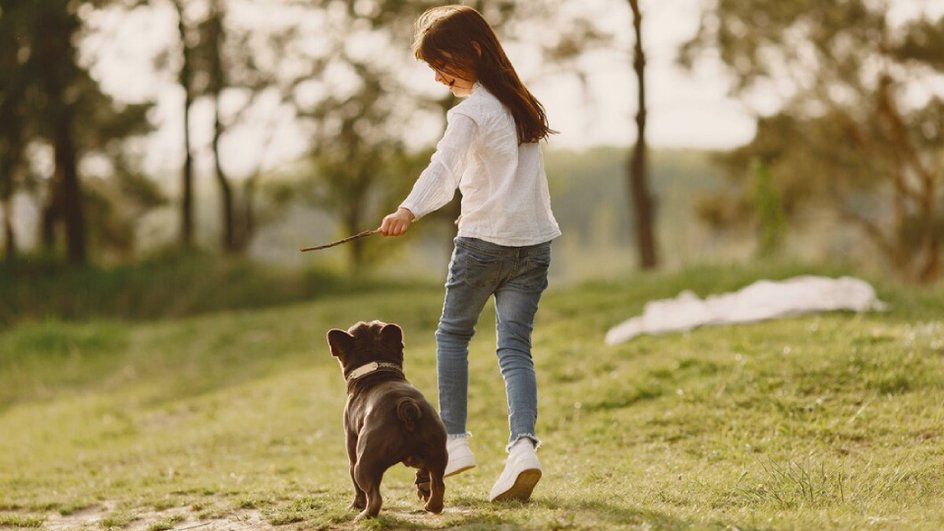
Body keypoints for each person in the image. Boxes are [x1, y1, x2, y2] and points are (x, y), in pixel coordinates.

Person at [379, 5, 560, 503]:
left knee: (452, 336)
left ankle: (454, 442)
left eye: (443, 64)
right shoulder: (523, 105)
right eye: (432, 68)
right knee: (515, 349)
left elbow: (443, 170)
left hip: (483, 243)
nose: (439, 77)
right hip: (534, 244)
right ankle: (523, 448)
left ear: (474, 51)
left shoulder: (471, 113)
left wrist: (406, 211)